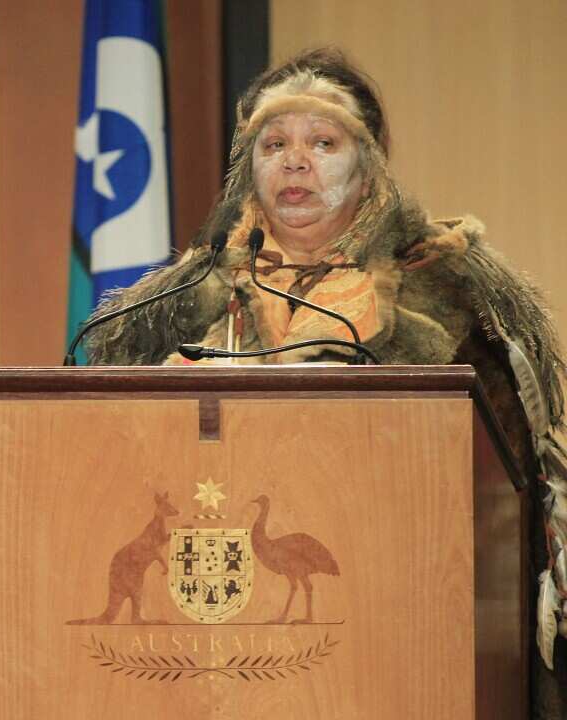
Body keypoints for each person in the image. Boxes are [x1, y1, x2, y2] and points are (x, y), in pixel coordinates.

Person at [84, 48, 567, 717]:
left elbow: (503, 495)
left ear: (369, 167)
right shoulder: (178, 301)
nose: (295, 162)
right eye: (273, 144)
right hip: (204, 648)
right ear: (246, 166)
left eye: (323, 142)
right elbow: (107, 467)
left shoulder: (449, 294)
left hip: (401, 634)